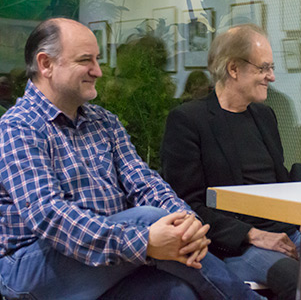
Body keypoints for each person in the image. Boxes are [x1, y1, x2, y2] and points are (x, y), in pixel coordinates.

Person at [0, 18, 260, 300]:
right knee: (148, 219)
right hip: (32, 269)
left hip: (108, 257)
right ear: (46, 64)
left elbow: (145, 183)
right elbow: (49, 216)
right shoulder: (18, 127)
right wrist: (143, 241)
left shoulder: (104, 122)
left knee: (179, 294)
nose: (98, 71)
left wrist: (188, 223)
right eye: (85, 60)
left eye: (97, 59)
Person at [160, 24, 301, 300]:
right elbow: (186, 205)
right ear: (233, 69)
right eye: (264, 68)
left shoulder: (265, 117)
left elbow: (279, 184)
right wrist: (253, 234)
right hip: (234, 244)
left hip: (287, 230)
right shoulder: (189, 121)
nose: (272, 77)